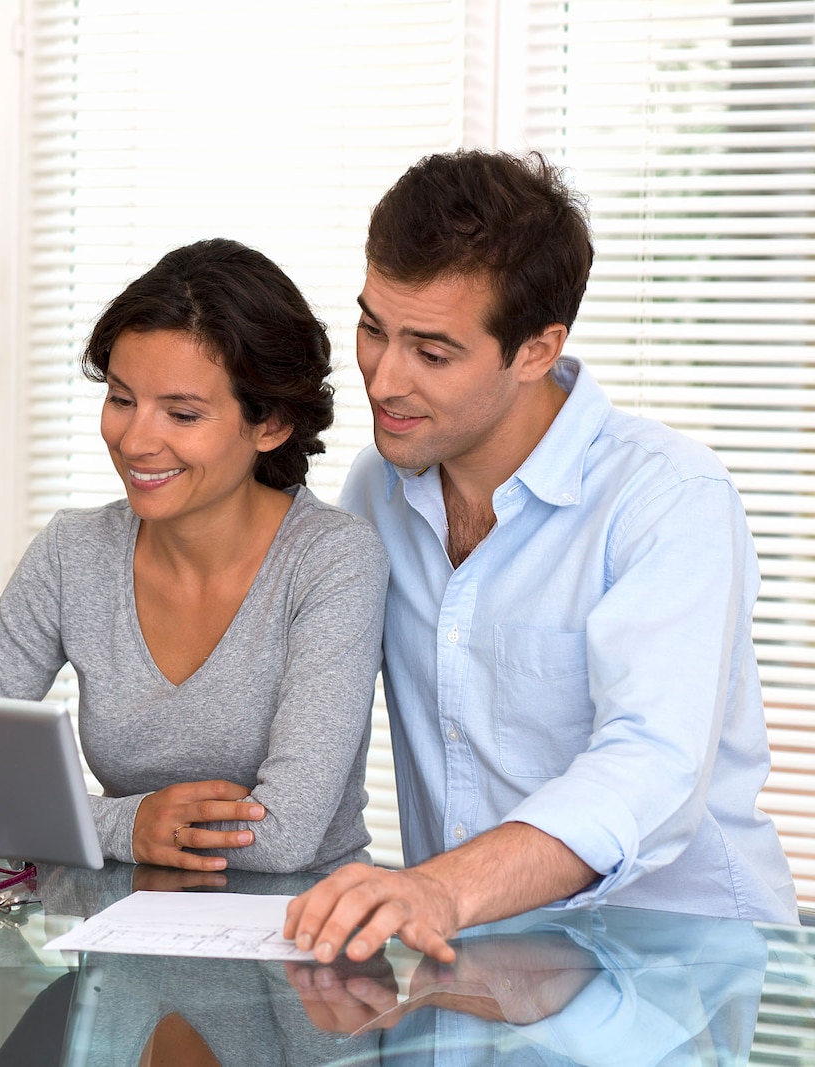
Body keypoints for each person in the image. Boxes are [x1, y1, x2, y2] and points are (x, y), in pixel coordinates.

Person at [284, 150, 798, 965]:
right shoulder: (376, 488)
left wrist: (444, 887)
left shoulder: (666, 498)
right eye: (374, 329)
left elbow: (648, 762)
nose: (383, 380)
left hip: (675, 970)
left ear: (536, 349)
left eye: (432, 352)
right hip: (475, 965)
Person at [0, 238, 389, 875]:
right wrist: (124, 826)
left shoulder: (332, 560)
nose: (135, 440)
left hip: (295, 922)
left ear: (270, 424)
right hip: (114, 919)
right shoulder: (73, 553)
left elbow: (283, 836)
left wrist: (91, 822)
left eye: (182, 414)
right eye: (122, 399)